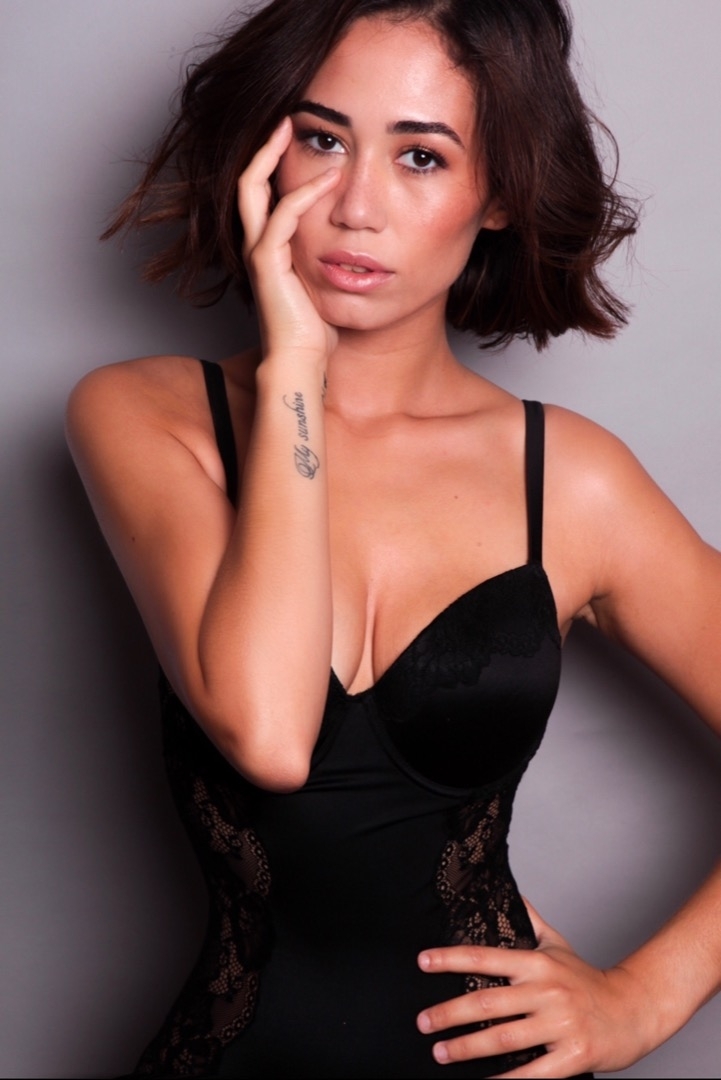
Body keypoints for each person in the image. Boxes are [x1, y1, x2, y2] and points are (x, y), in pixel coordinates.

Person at [65, 0, 721, 1076]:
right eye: (322, 140)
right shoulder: (145, 416)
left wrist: (645, 998)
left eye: (421, 156)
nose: (354, 206)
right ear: (267, 155)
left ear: (497, 193)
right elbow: (270, 736)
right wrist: (295, 365)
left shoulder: (572, 482)